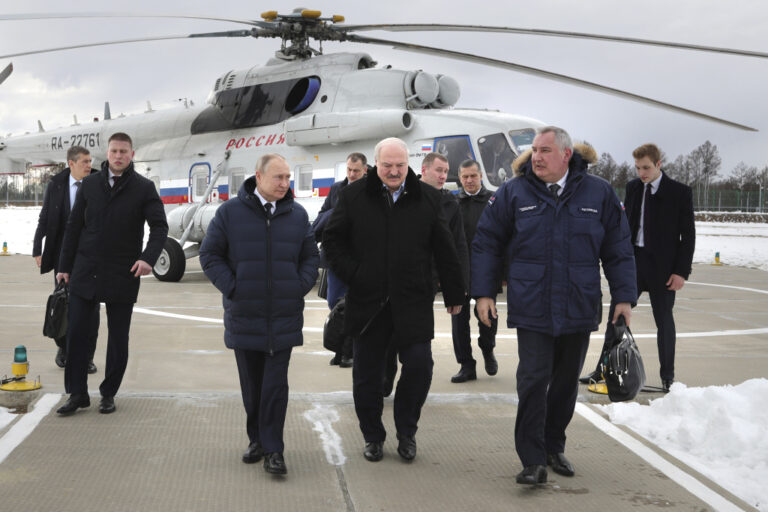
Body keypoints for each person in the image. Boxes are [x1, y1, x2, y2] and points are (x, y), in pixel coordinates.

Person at [472, 126, 636, 485]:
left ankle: (553, 445)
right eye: (534, 150)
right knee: (532, 381)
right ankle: (531, 459)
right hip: (532, 304)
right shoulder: (514, 192)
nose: (537, 157)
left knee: (564, 383)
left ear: (566, 155)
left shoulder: (600, 193)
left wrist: (623, 297)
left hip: (578, 303)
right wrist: (483, 293)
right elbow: (487, 243)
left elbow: (619, 247)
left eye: (545, 150)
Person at [323, 137, 465, 463]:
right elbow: (332, 240)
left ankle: (407, 432)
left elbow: (445, 247)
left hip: (412, 301)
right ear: (376, 165)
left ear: (408, 164)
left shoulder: (428, 198)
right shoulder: (353, 196)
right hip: (368, 304)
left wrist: (455, 292)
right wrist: (355, 273)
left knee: (419, 367)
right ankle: (372, 436)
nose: (394, 171)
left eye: (400, 165)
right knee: (367, 377)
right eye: (387, 165)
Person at [200, 153, 319, 476]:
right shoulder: (229, 213)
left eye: (288, 178)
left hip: (283, 315)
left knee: (275, 386)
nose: (285, 184)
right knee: (252, 385)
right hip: (245, 314)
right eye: (278, 178)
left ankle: (274, 450)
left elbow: (311, 257)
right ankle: (257, 439)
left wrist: (298, 285)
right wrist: (234, 287)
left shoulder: (297, 216)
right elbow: (209, 255)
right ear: (259, 177)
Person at [56, 133, 168, 416]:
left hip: (123, 271)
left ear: (132, 154)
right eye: (114, 151)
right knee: (77, 335)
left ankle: (108, 393)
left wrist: (148, 258)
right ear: (107, 153)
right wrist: (64, 267)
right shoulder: (90, 184)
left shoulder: (144, 187)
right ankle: (77, 393)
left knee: (118, 338)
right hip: (86, 269)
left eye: (124, 151)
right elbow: (73, 227)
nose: (118, 156)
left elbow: (159, 227)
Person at [580, 143, 695, 392]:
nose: (642, 172)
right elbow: (624, 226)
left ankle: (667, 377)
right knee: (616, 318)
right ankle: (602, 370)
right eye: (638, 168)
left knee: (664, 321)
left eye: (646, 167)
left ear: (658, 164)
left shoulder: (679, 192)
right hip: (633, 265)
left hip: (664, 270)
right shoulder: (633, 188)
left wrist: (680, 272)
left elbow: (688, 236)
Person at [382, 152, 469, 393]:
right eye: (439, 170)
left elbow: (457, 246)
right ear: (425, 169)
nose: (443, 176)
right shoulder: (404, 194)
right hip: (393, 280)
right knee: (388, 337)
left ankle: (410, 389)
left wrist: (458, 286)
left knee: (416, 343)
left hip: (424, 283)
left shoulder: (450, 204)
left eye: (445, 172)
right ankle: (385, 376)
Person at [33, 146, 98, 373]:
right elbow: (45, 218)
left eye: (90, 161)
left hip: (91, 256)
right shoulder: (56, 185)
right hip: (63, 255)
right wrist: (37, 248)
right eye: (84, 162)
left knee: (91, 309)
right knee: (63, 304)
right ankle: (64, 348)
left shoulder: (98, 181)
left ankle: (87, 357)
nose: (89, 165)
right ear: (71, 163)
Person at [312, 152, 367, 368]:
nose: (352, 175)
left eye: (356, 171)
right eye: (349, 170)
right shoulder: (336, 190)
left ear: (365, 170)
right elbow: (322, 215)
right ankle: (341, 346)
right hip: (335, 258)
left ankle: (347, 352)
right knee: (334, 302)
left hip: (359, 258)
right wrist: (338, 210)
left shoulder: (370, 191)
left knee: (353, 304)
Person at [450, 159, 499, 383]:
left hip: (485, 269)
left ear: (481, 175)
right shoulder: (452, 203)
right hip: (458, 271)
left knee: (488, 317)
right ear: (459, 178)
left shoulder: (494, 201)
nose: (469, 180)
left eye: (473, 176)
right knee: (458, 322)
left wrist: (503, 272)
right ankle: (466, 365)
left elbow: (504, 237)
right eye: (465, 177)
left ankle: (488, 349)